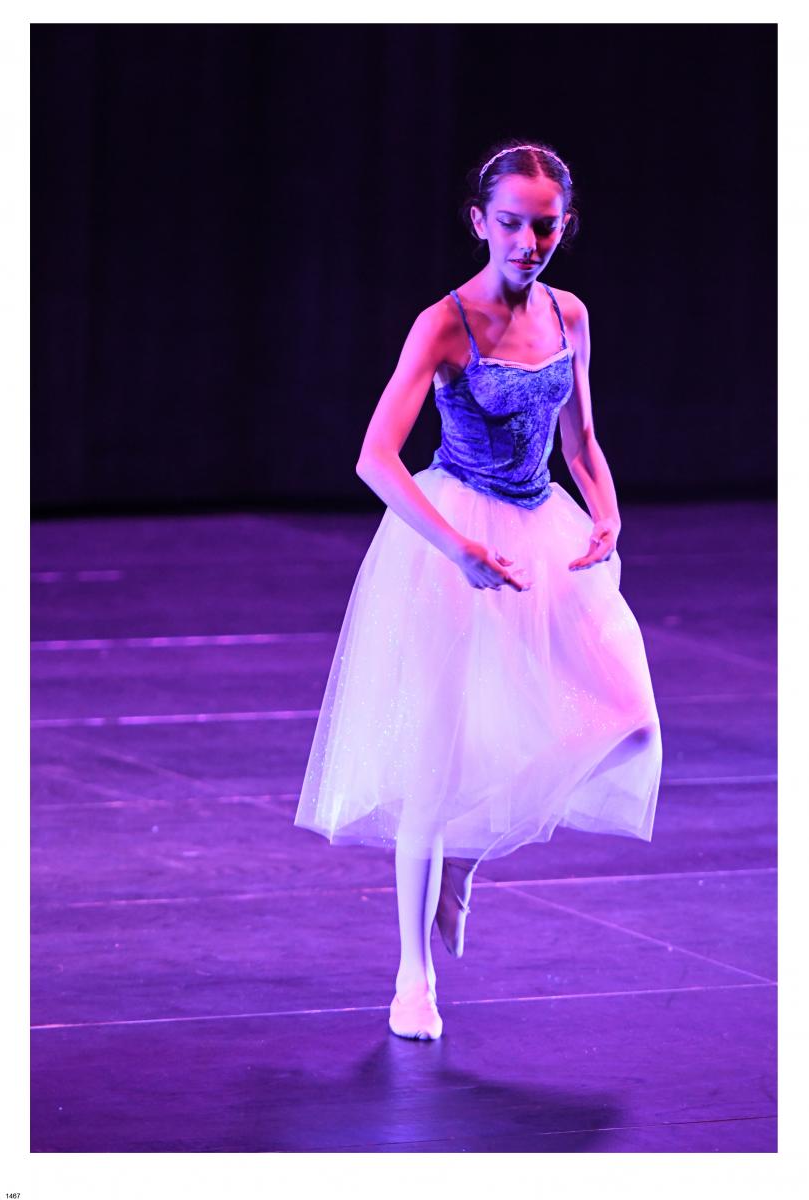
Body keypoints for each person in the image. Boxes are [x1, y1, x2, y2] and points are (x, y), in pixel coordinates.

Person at [294, 139, 662, 1042]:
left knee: (629, 722)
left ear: (564, 226)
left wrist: (607, 511)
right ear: (479, 222)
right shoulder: (446, 322)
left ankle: (467, 849)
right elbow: (375, 458)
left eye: (545, 226)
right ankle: (412, 975)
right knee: (433, 764)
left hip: (545, 534)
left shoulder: (570, 314)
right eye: (511, 224)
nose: (529, 242)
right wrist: (457, 547)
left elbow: (579, 439)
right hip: (452, 537)